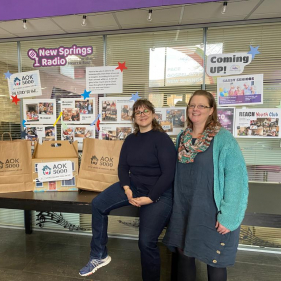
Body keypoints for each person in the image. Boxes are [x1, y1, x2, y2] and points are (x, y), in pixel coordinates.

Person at [79, 99, 176, 280]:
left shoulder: (162, 139)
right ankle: (99, 255)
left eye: (146, 111)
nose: (142, 114)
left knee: (146, 242)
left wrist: (151, 198)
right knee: (98, 204)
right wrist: (127, 188)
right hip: (134, 186)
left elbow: (169, 173)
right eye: (138, 112)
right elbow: (123, 167)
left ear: (153, 114)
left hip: (160, 193)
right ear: (134, 117)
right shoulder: (131, 139)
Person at [163, 90, 248, 281]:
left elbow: (236, 178)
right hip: (184, 209)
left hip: (212, 212)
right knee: (184, 255)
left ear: (211, 111)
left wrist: (229, 216)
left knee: (214, 259)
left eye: (202, 106)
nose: (195, 109)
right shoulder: (182, 138)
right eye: (192, 105)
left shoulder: (223, 139)